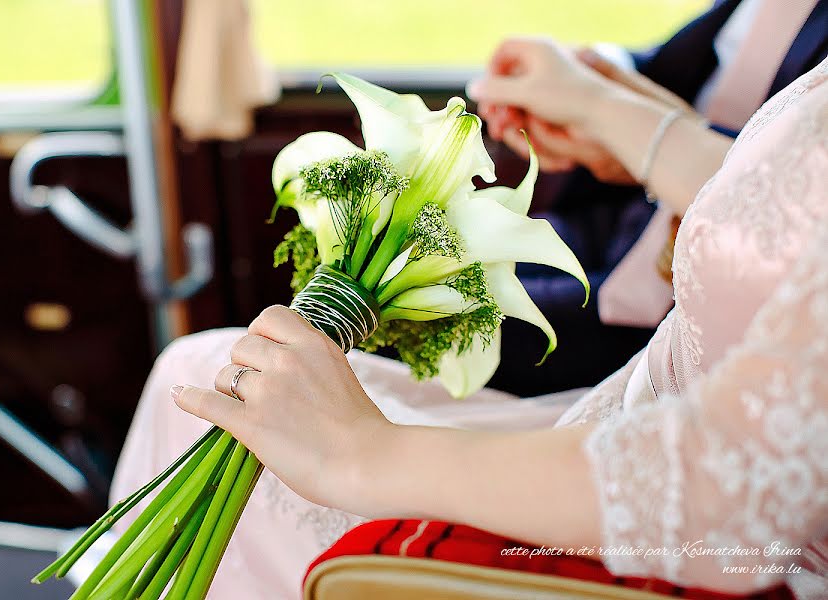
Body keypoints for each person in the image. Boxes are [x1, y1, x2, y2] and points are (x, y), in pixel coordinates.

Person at [111, 41, 828, 598]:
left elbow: (732, 485)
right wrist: (613, 114)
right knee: (207, 375)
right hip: (619, 411)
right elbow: (789, 221)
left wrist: (364, 452)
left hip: (675, 523)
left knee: (215, 394)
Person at [486, 0, 828, 398]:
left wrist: (606, 113)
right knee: (419, 266)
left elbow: (790, 203)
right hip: (621, 223)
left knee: (420, 313)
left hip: (682, 315)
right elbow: (723, 70)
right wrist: (598, 69)